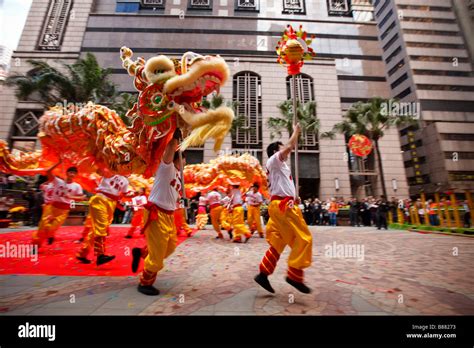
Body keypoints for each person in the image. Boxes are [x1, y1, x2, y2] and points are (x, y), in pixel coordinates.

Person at [254, 123, 312, 294]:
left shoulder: (280, 167)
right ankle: (294, 275)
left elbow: (282, 185)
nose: (287, 151)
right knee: (303, 239)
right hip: (283, 207)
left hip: (280, 205)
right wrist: (296, 131)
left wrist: (295, 196)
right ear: (275, 152)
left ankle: (263, 274)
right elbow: (289, 146)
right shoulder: (274, 161)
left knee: (278, 240)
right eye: (281, 148)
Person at [132, 128, 184, 296]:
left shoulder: (177, 175)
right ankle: (145, 282)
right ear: (178, 158)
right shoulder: (166, 168)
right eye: (184, 160)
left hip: (168, 216)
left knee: (169, 247)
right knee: (159, 252)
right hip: (156, 213)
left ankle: (142, 252)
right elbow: (169, 152)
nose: (185, 163)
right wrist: (175, 137)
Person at [76, 174, 129, 265]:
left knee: (96, 231)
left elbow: (121, 195)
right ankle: (100, 255)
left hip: (111, 204)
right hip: (100, 200)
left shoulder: (126, 181)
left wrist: (131, 196)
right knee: (101, 228)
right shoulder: (110, 170)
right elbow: (100, 169)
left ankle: (82, 253)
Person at [33, 164, 85, 249]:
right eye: (70, 172)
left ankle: (51, 235)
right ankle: (35, 246)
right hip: (52, 208)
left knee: (51, 228)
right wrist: (59, 162)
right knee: (42, 228)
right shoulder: (57, 181)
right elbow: (48, 172)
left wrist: (71, 197)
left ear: (76, 175)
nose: (72, 174)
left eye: (74, 173)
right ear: (67, 173)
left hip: (63, 211)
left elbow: (82, 198)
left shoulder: (77, 186)